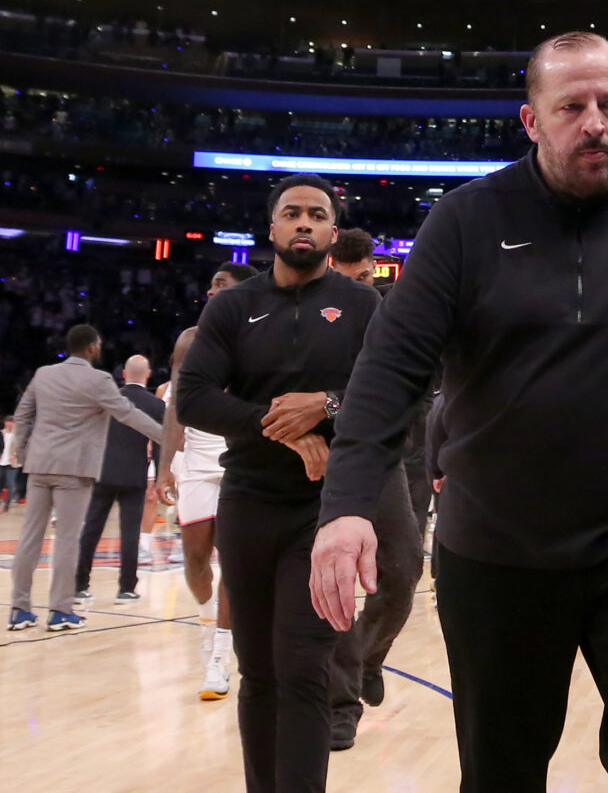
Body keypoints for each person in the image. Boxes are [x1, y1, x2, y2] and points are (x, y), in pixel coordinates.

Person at [310, 31, 608, 792]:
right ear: (531, 120)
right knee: (501, 773)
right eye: (572, 106)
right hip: (498, 550)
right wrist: (348, 502)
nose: (595, 122)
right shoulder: (462, 220)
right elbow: (389, 372)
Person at [176, 174, 380, 792]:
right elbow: (192, 397)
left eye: (317, 215)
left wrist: (328, 406)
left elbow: (398, 393)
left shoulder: (365, 306)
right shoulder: (232, 306)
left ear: (332, 232)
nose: (304, 223)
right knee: (258, 671)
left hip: (325, 509)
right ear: (271, 228)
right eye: (291, 213)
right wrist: (283, 427)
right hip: (248, 504)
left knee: (303, 667)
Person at [325, 232, 424, 751]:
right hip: (319, 463)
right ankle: (341, 705)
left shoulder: (383, 317)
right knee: (340, 583)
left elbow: (403, 387)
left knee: (405, 569)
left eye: (369, 278)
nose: (365, 287)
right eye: (355, 278)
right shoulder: (307, 314)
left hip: (380, 458)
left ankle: (367, 657)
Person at [7, 325, 162, 632]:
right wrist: (168, 437)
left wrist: (23, 452)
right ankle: (61, 611)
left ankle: (19, 609)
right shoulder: (99, 379)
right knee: (66, 539)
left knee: (29, 538)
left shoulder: (43, 374)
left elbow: (23, 414)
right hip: (74, 469)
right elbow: (128, 414)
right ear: (92, 347)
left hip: (39, 464)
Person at [155, 261, 258, 701]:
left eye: (222, 284)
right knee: (194, 558)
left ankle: (219, 656)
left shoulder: (258, 338)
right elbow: (176, 405)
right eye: (212, 282)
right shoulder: (189, 340)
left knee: (231, 563)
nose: (212, 289)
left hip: (240, 456)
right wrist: (164, 468)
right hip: (195, 457)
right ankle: (207, 619)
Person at [74, 354, 164, 604]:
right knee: (130, 532)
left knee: (91, 528)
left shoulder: (107, 400)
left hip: (102, 472)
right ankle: (126, 588)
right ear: (148, 375)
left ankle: (79, 585)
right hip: (134, 474)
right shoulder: (156, 405)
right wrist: (158, 480)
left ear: (124, 374)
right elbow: (159, 444)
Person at [0, 415, 21, 511]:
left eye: (10, 424)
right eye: (7, 424)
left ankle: (7, 504)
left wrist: (15, 454)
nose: (8, 426)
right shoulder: (1, 433)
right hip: (1, 462)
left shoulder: (18, 435)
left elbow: (21, 447)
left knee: (10, 483)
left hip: (12, 463)